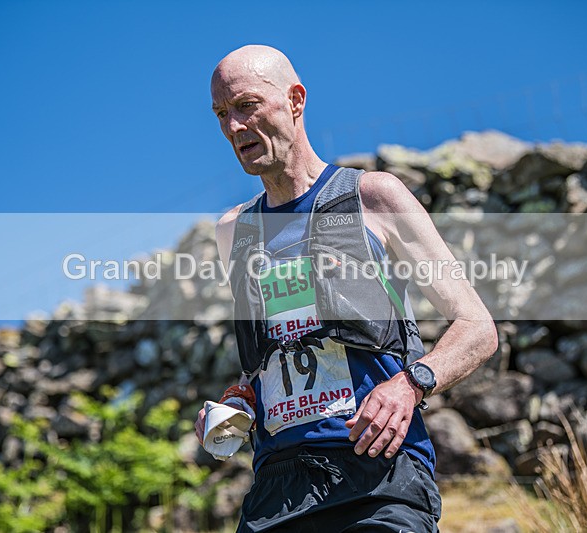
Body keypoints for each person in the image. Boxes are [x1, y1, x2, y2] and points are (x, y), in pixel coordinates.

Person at [195, 44, 498, 532]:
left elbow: (478, 328)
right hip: (278, 490)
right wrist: (241, 401)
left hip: (377, 478)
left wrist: (410, 385)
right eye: (221, 113)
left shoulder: (372, 197)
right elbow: (279, 348)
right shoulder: (235, 230)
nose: (233, 127)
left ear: (295, 100)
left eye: (247, 106)